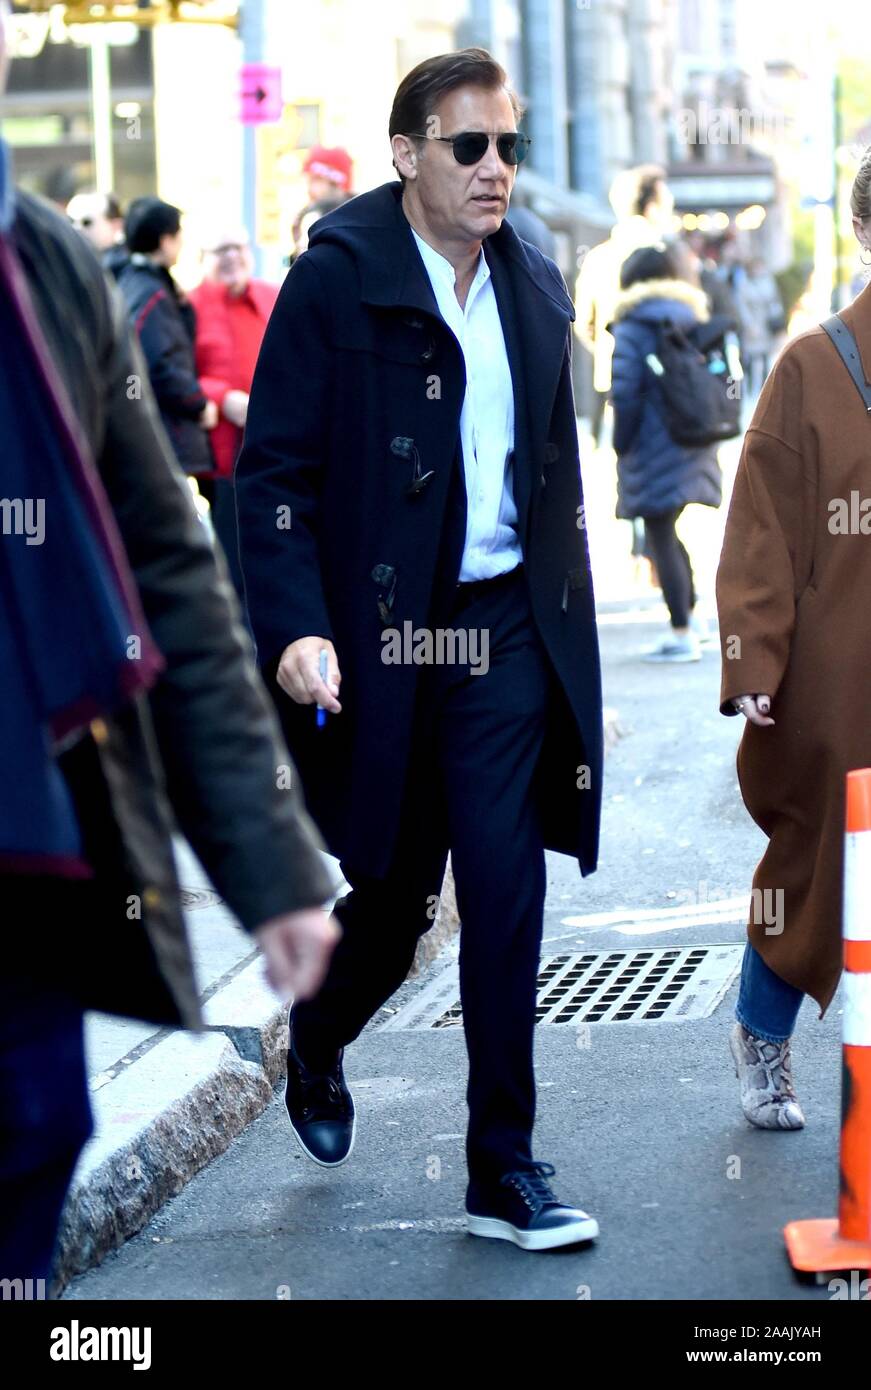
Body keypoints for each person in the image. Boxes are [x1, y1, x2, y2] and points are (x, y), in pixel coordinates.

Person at [236, 46, 604, 1252]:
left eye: (509, 147)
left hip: (496, 631)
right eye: (470, 146)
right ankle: (322, 1029)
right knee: (394, 896)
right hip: (384, 636)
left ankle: (503, 1166)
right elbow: (274, 476)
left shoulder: (535, 286)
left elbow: (550, 491)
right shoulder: (337, 281)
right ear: (408, 154)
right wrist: (294, 623)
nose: (496, 168)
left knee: (505, 888)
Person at [0, 0, 343, 1286]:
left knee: (36, 1122)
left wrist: (268, 866)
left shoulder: (41, 265)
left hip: (31, 846)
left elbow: (168, 581)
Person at [715, 145, 871, 1130]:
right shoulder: (813, 364)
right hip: (834, 670)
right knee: (811, 859)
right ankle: (761, 1031)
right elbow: (760, 523)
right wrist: (753, 659)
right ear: (862, 231)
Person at [609, 242, 722, 662]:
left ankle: (682, 631)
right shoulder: (692, 315)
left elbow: (625, 392)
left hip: (652, 444)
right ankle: (695, 620)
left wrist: (620, 444)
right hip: (692, 437)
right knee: (669, 531)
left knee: (660, 532)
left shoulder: (633, 325)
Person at [190, 224, 279, 596]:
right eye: (219, 250)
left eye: (237, 248)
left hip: (277, 447)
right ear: (202, 260)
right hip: (223, 454)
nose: (231, 257)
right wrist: (221, 396)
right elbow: (172, 375)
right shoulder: (188, 306)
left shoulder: (272, 295)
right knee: (235, 559)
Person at [574, 164, 674, 448]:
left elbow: (584, 322)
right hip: (666, 382)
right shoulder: (665, 256)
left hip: (611, 379)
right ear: (652, 206)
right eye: (666, 200)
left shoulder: (598, 257)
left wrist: (609, 348)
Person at [118, 197, 217, 484]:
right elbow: (159, 363)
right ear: (165, 240)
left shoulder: (133, 282)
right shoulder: (152, 293)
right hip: (166, 432)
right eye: (178, 235)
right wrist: (198, 402)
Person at [734, 256, 785, 397]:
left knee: (764, 356)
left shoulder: (768, 281)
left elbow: (774, 300)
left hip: (765, 323)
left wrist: (776, 317)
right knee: (750, 356)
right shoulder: (744, 284)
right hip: (753, 324)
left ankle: (764, 386)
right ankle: (749, 386)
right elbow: (741, 305)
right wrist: (749, 325)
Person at [66, 189, 129, 280]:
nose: (76, 228)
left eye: (86, 222)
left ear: (116, 226)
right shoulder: (66, 265)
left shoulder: (128, 273)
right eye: (70, 221)